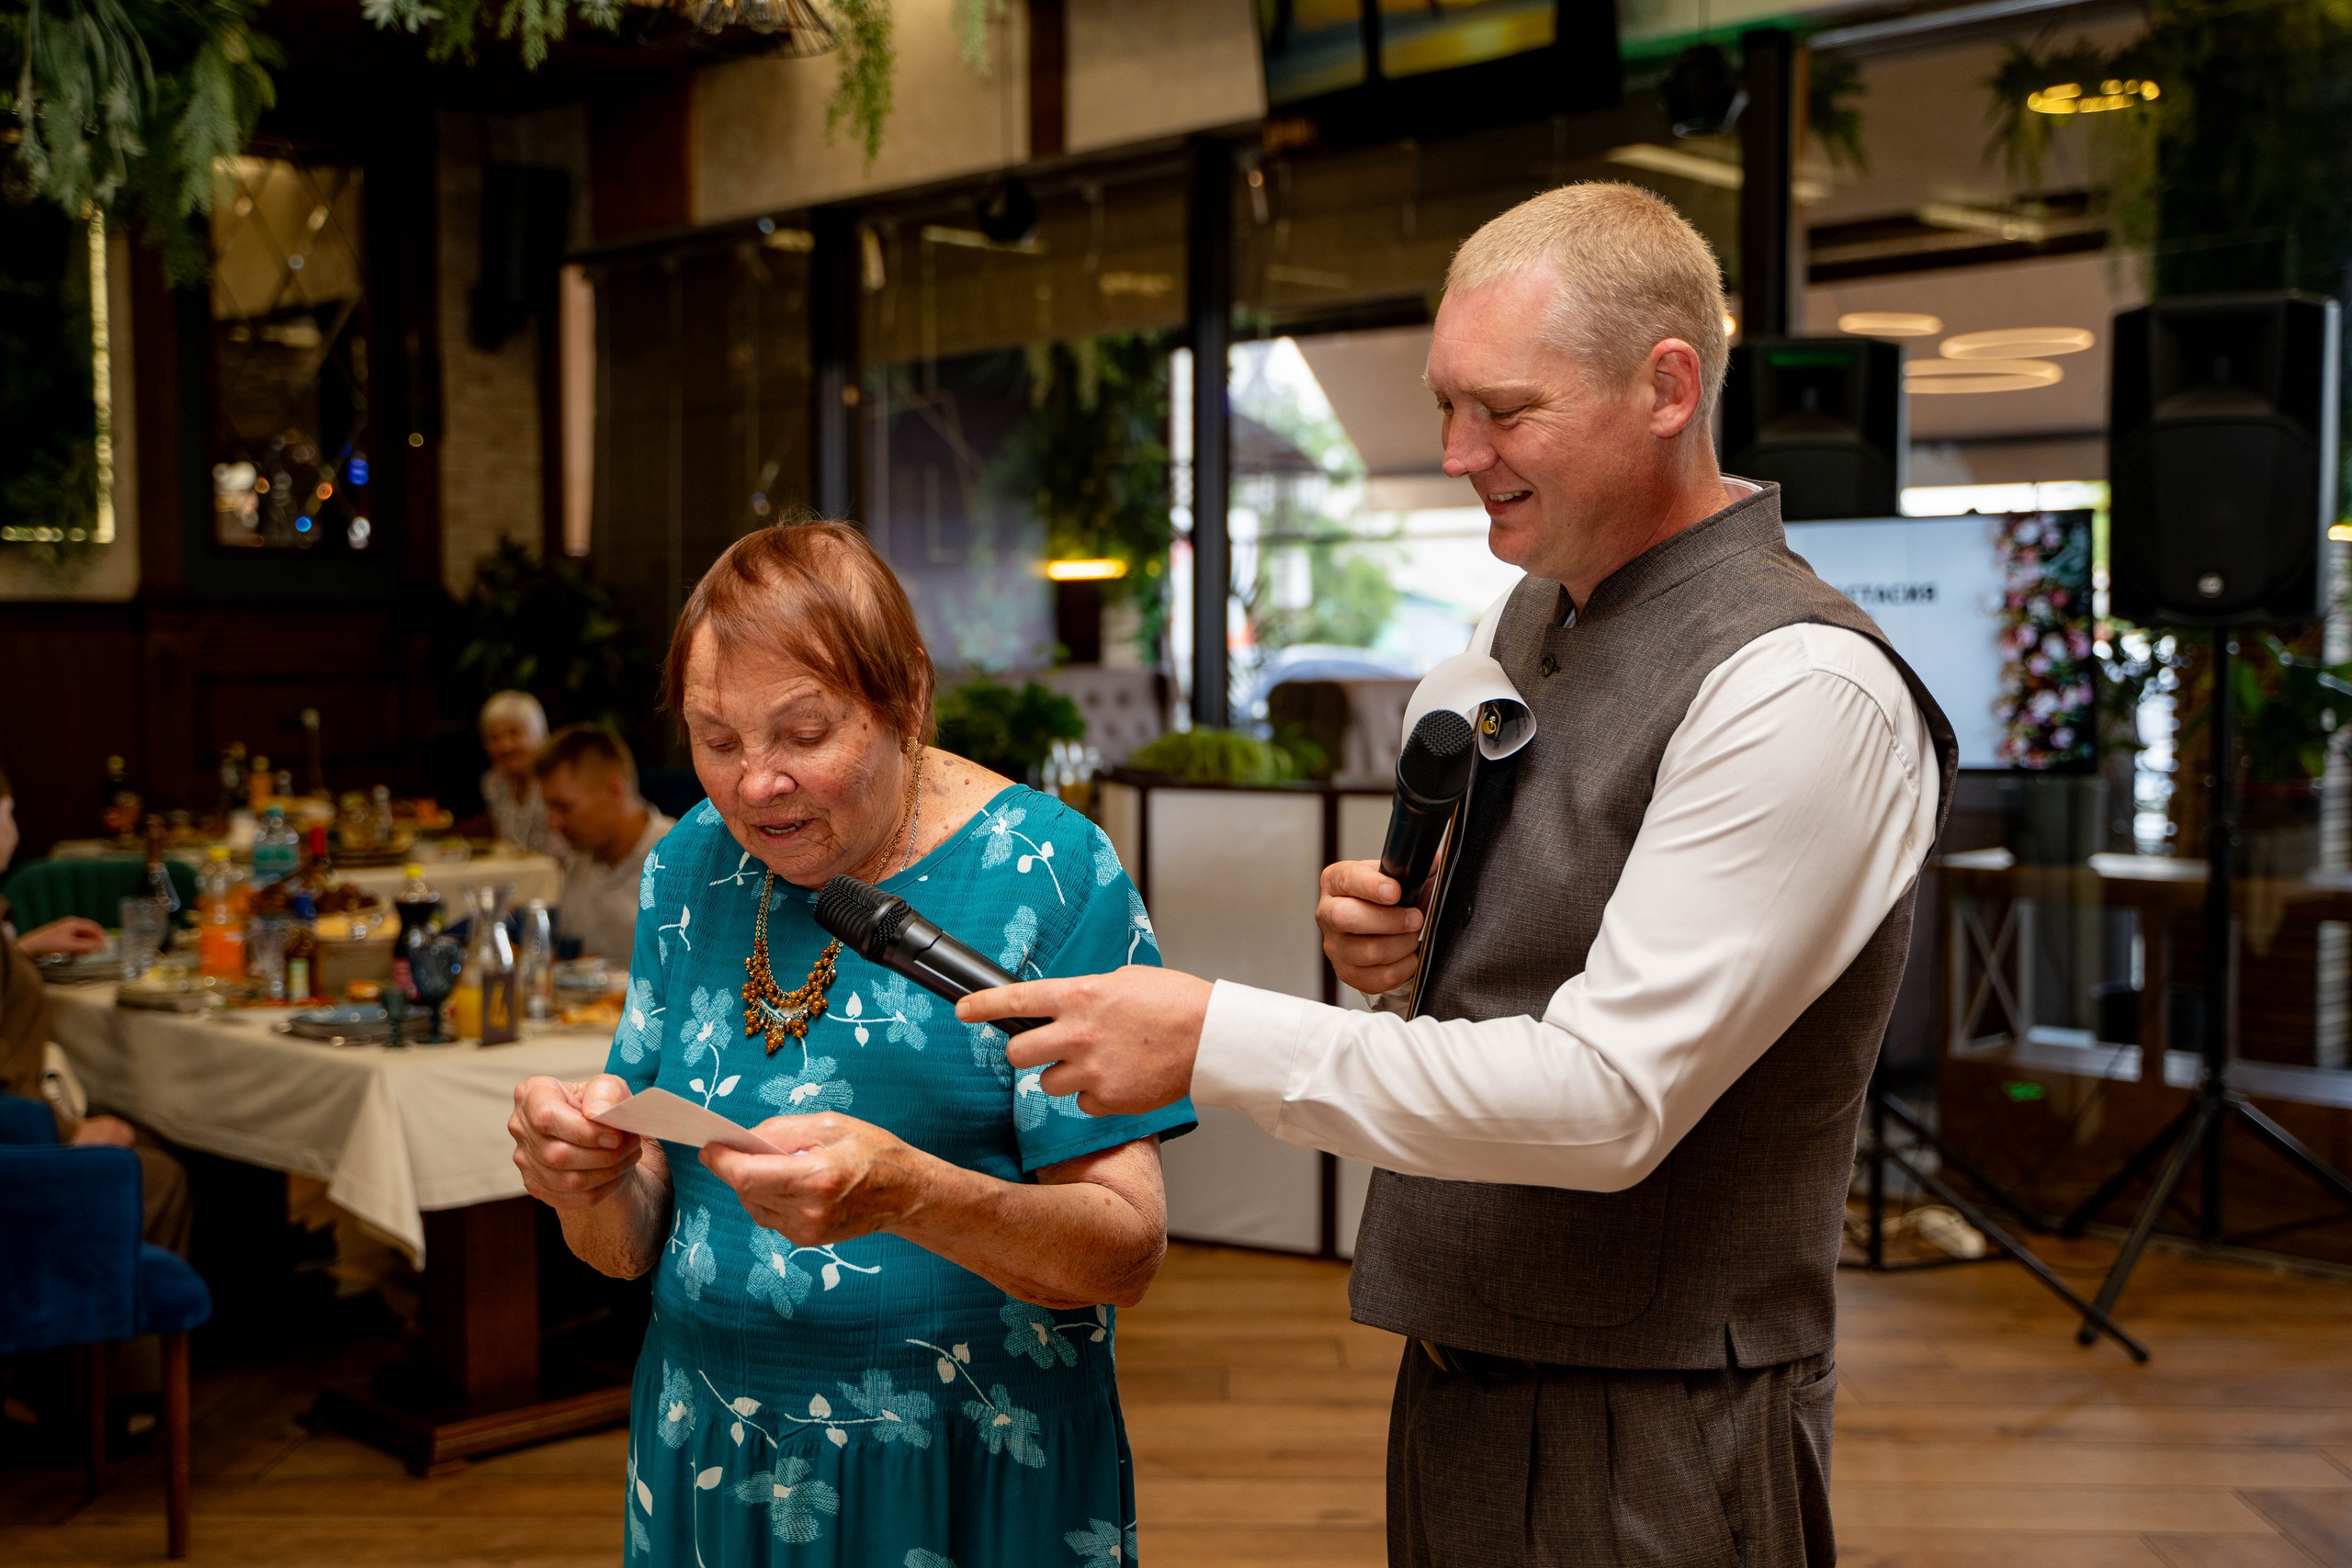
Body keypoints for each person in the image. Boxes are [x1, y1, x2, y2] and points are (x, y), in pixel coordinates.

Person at [959, 183, 1957, 1568]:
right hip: (1463, 1361)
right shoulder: (1529, 613)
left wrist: (1210, 1036)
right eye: (1445, 404)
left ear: (1669, 387)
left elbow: (1609, 1100)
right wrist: (1408, 954)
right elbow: (1526, 970)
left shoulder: (1804, 686)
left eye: (1505, 409)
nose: (1454, 451)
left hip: (1663, 1415)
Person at [507, 520, 1193, 1567]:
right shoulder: (688, 865)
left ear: (906, 696)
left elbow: (1124, 1252)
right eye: (716, 740)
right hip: (708, 1449)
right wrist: (585, 1181)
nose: (754, 785)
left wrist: (912, 1196)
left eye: (803, 734)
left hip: (963, 1463)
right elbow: (627, 1246)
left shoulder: (1049, 873)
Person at [0, 766, 194, 1248]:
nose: (13, 832)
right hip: (18, 1152)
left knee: (165, 1138)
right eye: (7, 814)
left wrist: (20, 950)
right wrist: (67, 1134)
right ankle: (108, 1295)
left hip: (22, 1125)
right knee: (160, 1176)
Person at [535, 725, 673, 965]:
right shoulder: (579, 858)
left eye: (564, 807)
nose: (552, 824)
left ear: (614, 791)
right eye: (549, 808)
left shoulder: (682, 859)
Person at [477, 689, 564, 859]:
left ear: (540, 736)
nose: (505, 746)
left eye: (514, 733)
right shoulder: (493, 783)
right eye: (494, 738)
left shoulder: (557, 781)